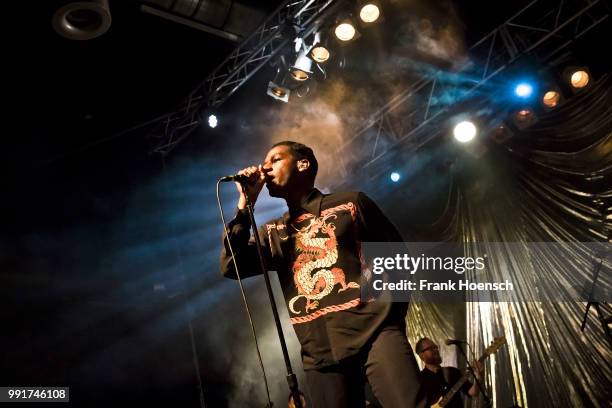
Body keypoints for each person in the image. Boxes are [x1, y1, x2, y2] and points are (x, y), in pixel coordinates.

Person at [220, 141, 426, 408]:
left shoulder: (350, 204)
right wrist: (244, 206)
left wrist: (387, 318)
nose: (264, 167)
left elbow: (399, 258)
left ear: (302, 164)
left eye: (275, 159)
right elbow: (230, 265)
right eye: (264, 161)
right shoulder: (275, 232)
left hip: (376, 335)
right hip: (320, 356)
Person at [415, 337, 483, 408]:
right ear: (421, 355)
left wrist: (480, 375)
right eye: (431, 348)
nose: (435, 350)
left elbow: (474, 392)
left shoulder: (453, 372)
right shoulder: (419, 379)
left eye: (435, 347)